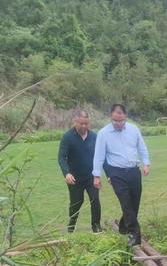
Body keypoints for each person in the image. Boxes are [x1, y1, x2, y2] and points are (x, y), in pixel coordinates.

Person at [93, 104, 150, 247]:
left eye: (121, 121)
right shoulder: (103, 134)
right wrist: (97, 175)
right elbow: (98, 156)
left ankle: (124, 226)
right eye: (114, 120)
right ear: (110, 118)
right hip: (116, 173)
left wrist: (146, 163)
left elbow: (141, 147)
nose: (118, 124)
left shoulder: (133, 129)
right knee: (126, 203)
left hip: (133, 172)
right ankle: (135, 234)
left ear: (126, 117)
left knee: (134, 203)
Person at [58, 110, 102, 233]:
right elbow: (61, 157)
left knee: (95, 200)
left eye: (86, 123)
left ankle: (96, 226)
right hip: (74, 178)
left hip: (91, 176)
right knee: (76, 202)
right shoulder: (68, 137)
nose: (84, 126)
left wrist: (104, 175)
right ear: (75, 122)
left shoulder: (94, 136)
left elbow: (100, 156)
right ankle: (71, 226)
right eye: (81, 123)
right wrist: (67, 173)